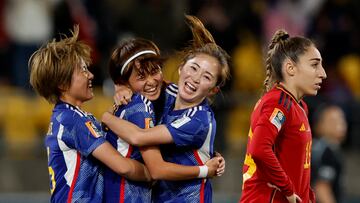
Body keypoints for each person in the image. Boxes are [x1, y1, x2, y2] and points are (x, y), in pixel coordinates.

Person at [102, 14, 230, 203]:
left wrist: (105, 117)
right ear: (181, 67)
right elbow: (144, 77)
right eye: (194, 68)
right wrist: (121, 85)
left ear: (213, 90)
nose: (195, 78)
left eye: (206, 77)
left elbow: (142, 143)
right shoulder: (169, 92)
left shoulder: (198, 119)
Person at [28, 25, 151, 203]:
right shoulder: (72, 120)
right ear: (62, 83)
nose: (91, 75)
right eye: (83, 70)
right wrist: (153, 174)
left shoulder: (68, 116)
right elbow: (123, 167)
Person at [239, 29, 327, 203]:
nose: (323, 73)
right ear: (290, 68)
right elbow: (260, 149)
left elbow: (298, 166)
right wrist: (287, 189)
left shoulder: (299, 106)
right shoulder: (278, 103)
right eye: (314, 64)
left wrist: (307, 195)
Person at [311, 104, 347, 203]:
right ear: (318, 126)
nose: (340, 124)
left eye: (341, 119)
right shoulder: (326, 151)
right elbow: (321, 188)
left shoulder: (325, 147)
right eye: (332, 121)